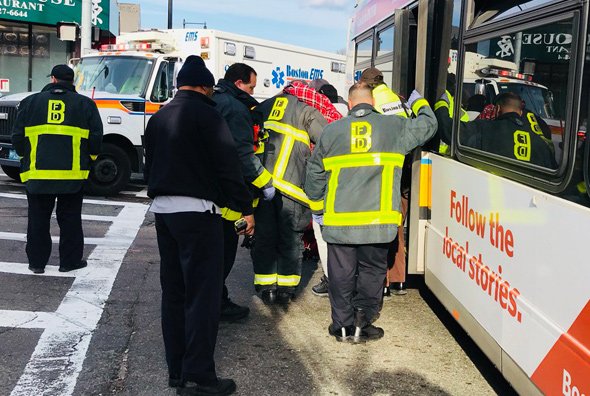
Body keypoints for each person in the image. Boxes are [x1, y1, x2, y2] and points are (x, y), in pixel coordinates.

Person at [144, 55, 253, 396]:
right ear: (206, 86)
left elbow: (150, 167)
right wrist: (245, 209)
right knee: (202, 298)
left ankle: (177, 371)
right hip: (199, 214)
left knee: (174, 294)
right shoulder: (209, 115)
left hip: (164, 214)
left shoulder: (158, 117)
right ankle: (200, 378)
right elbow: (228, 167)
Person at [304, 82, 437, 343]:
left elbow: (314, 174)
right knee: (372, 273)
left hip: (339, 222)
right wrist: (417, 101)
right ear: (373, 103)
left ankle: (341, 326)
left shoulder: (331, 132)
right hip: (378, 223)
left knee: (341, 275)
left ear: (351, 104)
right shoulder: (394, 127)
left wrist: (318, 208)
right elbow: (429, 124)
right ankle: (361, 325)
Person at [12, 64, 103, 274]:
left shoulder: (31, 102)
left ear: (53, 79)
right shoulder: (85, 104)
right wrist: (90, 158)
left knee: (38, 221)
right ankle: (69, 262)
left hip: (37, 173)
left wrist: (25, 156)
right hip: (72, 175)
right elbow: (96, 137)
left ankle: (37, 263)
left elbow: (17, 136)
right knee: (70, 220)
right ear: (72, 82)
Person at [252, 83, 327, 305]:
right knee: (290, 239)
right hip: (293, 190)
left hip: (262, 185)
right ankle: (285, 290)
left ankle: (266, 288)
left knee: (264, 237)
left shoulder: (261, 108)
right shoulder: (306, 111)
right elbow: (327, 139)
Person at [212, 63, 274, 321]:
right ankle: (216, 303)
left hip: (207, 194)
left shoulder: (214, 100)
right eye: (251, 86)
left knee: (212, 253)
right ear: (239, 83)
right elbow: (243, 155)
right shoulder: (237, 109)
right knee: (223, 255)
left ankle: (215, 298)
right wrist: (265, 183)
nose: (253, 92)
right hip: (228, 197)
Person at [284, 79, 343, 297]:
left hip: (319, 176)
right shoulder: (337, 112)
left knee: (321, 230)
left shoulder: (307, 107)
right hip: (338, 179)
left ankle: (331, 278)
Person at [360, 67, 411, 297]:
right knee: (398, 226)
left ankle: (383, 282)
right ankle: (399, 279)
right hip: (405, 172)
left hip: (383, 173)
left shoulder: (372, 102)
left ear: (367, 85)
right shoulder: (400, 100)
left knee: (379, 229)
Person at [436, 91, 557, 168]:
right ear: (520, 112)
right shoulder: (541, 144)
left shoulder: (485, 129)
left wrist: (441, 104)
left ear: (497, 109)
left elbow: (448, 130)